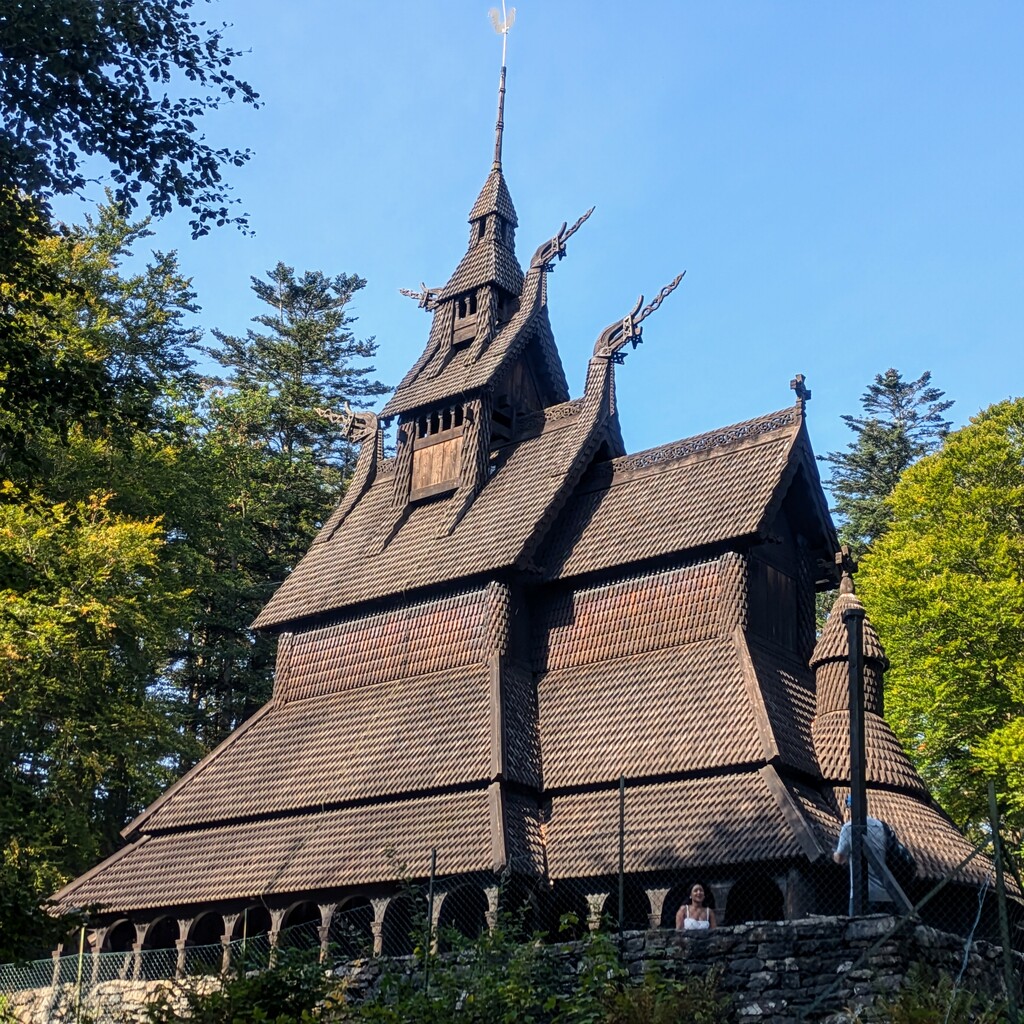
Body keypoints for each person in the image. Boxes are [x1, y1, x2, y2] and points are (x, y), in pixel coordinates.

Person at [833, 796, 894, 914]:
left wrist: (834, 855)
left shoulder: (848, 827)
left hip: (861, 894)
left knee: (857, 928)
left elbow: (840, 858)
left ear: (850, 808)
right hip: (885, 892)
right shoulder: (880, 826)